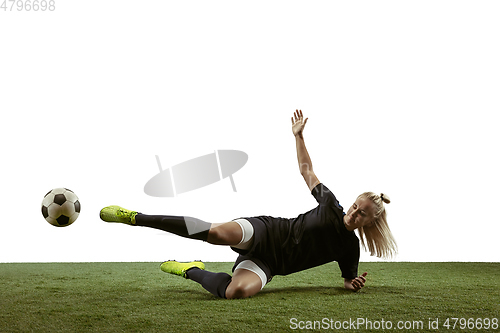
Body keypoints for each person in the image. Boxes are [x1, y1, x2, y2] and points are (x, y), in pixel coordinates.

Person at [100, 110, 397, 299]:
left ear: (370, 222)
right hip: (267, 231)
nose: (355, 213)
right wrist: (299, 136)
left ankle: (189, 269)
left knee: (236, 292)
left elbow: (346, 281)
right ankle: (137, 217)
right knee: (215, 234)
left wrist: (353, 284)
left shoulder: (349, 248)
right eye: (356, 206)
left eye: (363, 215)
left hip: (271, 263)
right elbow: (307, 170)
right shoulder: (331, 203)